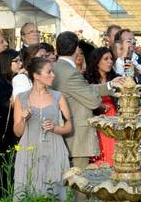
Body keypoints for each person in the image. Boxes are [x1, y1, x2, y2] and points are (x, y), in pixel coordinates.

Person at [51, 32, 121, 167]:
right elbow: (93, 101)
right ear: (77, 49)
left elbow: (83, 88)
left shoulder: (55, 67)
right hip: (77, 135)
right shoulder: (70, 72)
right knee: (78, 180)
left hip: (62, 129)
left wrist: (109, 85)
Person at [12, 57, 73, 199]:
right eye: (49, 72)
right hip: (28, 151)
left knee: (55, 193)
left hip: (54, 149)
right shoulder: (21, 98)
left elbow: (69, 126)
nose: (53, 75)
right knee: (27, 192)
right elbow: (17, 131)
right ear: (36, 76)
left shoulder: (58, 96)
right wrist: (23, 119)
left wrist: (54, 128)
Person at [0, 49, 23, 194]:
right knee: (5, 167)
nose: (20, 63)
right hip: (3, 130)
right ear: (7, 63)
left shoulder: (11, 80)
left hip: (12, 128)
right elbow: (5, 106)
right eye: (17, 61)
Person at [86, 47, 119, 165]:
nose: (110, 61)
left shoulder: (117, 78)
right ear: (97, 61)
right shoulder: (87, 79)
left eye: (111, 59)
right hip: (97, 121)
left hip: (115, 120)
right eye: (106, 59)